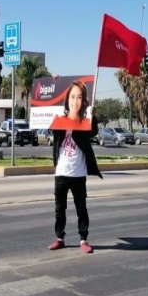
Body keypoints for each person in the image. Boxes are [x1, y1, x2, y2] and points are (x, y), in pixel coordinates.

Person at [48, 81, 102, 254]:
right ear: (67, 99)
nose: (75, 101)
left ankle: (83, 239)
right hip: (61, 173)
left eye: (79, 97)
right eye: (72, 97)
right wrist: (54, 82)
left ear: (83, 101)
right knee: (59, 209)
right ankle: (59, 238)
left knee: (81, 208)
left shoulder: (85, 123)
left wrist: (93, 116)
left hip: (78, 174)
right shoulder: (59, 121)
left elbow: (93, 132)